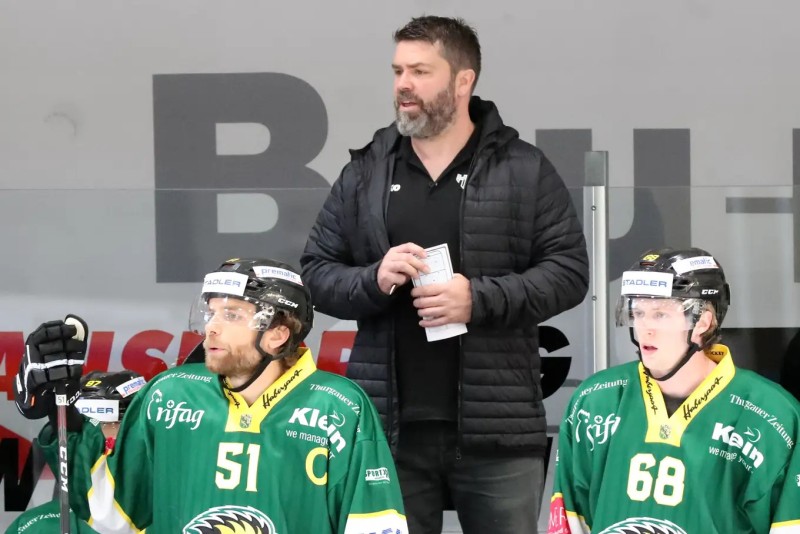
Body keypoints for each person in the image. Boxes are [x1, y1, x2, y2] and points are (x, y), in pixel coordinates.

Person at [301, 15, 589, 534]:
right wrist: (375, 278)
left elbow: (568, 272)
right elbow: (316, 272)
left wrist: (477, 300)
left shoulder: (523, 168)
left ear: (463, 80)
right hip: (386, 434)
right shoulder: (365, 171)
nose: (403, 85)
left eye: (420, 71)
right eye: (397, 71)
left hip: (497, 435)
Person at [13, 258, 408, 533]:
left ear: (278, 333)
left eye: (232, 315)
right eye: (211, 313)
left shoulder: (339, 408)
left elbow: (374, 525)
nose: (211, 329)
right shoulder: (169, 395)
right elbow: (111, 514)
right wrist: (67, 420)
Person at [547, 247, 800, 534]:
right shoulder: (596, 400)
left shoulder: (771, 413)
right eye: (638, 312)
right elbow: (570, 520)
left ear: (703, 321)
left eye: (660, 315)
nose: (644, 329)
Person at [7, 370, 146, 533]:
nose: (114, 435)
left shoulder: (173, 515)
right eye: (100, 424)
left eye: (123, 423)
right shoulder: (34, 526)